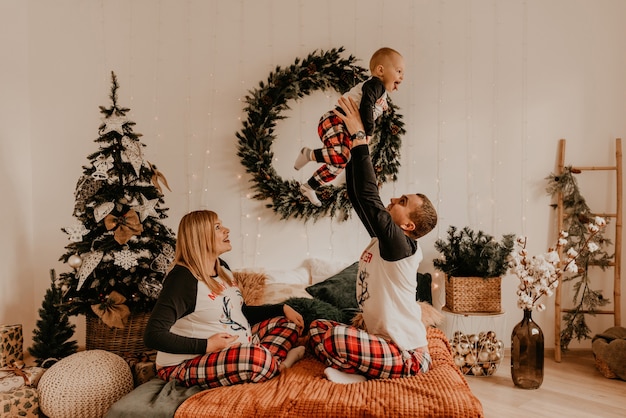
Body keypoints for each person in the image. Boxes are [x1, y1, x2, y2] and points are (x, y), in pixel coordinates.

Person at [307, 96, 438, 384]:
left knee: (337, 338)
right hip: (376, 342)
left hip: (408, 354)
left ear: (408, 224)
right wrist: (353, 145)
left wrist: (358, 135)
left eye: (402, 200)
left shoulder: (401, 247)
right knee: (317, 328)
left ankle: (358, 372)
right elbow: (357, 196)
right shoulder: (385, 240)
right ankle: (360, 368)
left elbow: (369, 196)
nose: (393, 198)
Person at [144, 210, 306, 389]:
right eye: (218, 227)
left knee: (288, 324)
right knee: (257, 359)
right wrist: (208, 345)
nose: (227, 230)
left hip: (236, 347)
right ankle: (279, 363)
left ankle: (270, 363)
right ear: (200, 236)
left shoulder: (223, 269)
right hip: (186, 363)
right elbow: (153, 336)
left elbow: (239, 314)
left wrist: (281, 309)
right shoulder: (182, 279)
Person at [294, 47, 405, 207]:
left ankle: (309, 186)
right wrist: (368, 132)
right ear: (381, 70)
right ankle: (308, 154)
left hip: (343, 126)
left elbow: (373, 109)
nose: (401, 77)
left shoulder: (382, 93)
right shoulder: (375, 85)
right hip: (335, 119)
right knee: (342, 155)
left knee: (339, 163)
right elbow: (366, 107)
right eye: (399, 71)